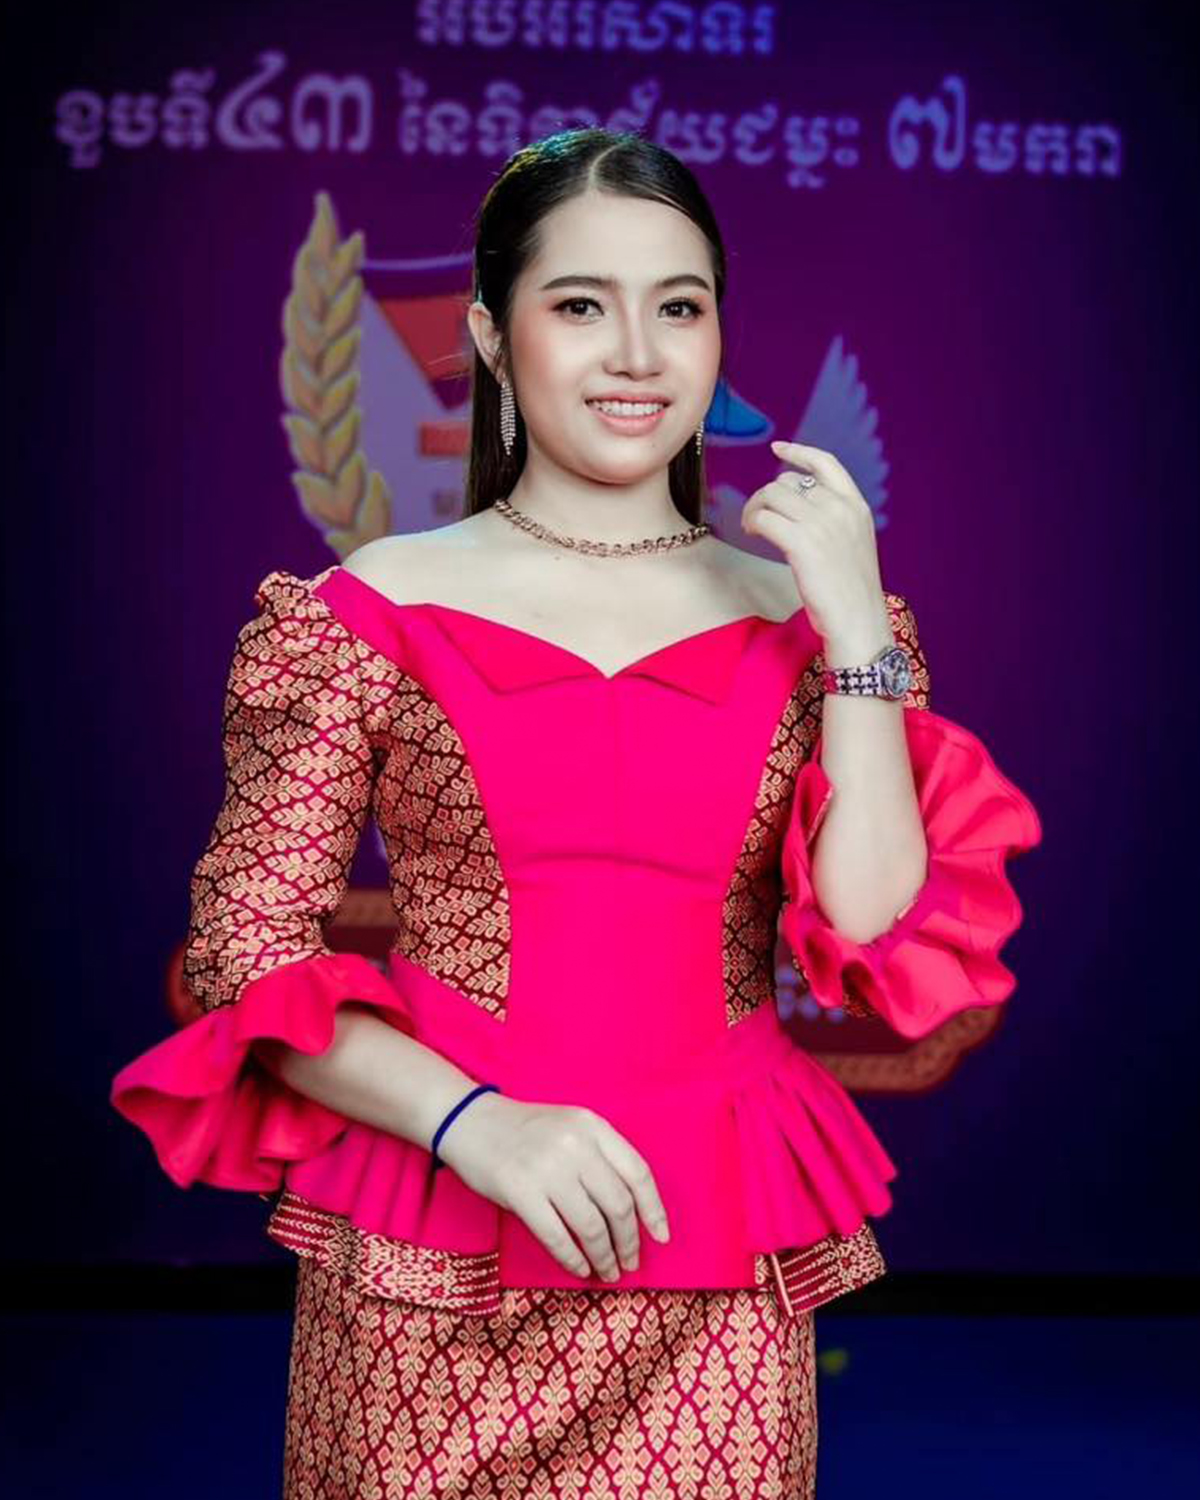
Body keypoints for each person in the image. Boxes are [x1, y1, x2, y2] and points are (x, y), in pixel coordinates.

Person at [110, 127, 1043, 1498]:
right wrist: (477, 1124)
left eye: (680, 307)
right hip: (435, 1250)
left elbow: (872, 930)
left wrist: (854, 629)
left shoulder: (814, 625)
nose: (638, 355)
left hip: (715, 1266)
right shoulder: (368, 611)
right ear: (493, 336)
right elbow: (251, 962)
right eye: (581, 305)